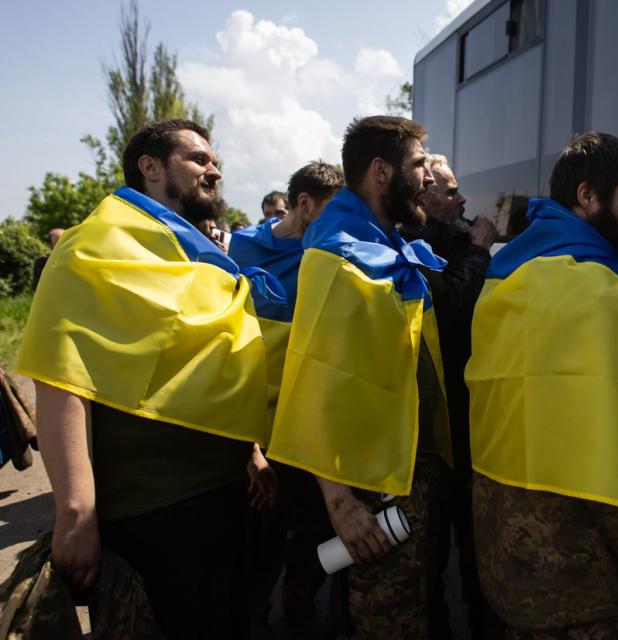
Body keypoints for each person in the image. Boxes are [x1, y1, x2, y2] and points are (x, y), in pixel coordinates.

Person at [16, 119, 283, 639]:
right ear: (151, 166)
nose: (215, 169)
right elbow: (62, 378)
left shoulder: (192, 252)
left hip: (224, 497)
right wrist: (76, 512)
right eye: (199, 159)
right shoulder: (92, 247)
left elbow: (209, 360)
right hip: (152, 512)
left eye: (214, 160)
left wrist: (248, 448)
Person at [466, 132, 618, 639]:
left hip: (509, 570)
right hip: (586, 589)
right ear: (587, 196)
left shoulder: (504, 277)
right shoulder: (604, 297)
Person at [266, 115, 450, 639]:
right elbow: (312, 382)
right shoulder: (337, 256)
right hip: (371, 490)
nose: (428, 178)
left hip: (405, 474)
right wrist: (339, 502)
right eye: (418, 165)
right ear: (381, 171)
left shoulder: (384, 246)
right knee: (383, 622)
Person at [229, 161, 344, 636]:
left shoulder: (331, 255)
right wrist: (245, 442)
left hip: (311, 427)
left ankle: (300, 610)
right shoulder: (240, 249)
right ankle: (250, 617)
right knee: (259, 540)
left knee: (316, 534)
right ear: (303, 204)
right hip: (258, 429)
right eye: (330, 213)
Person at [401, 153, 499, 639]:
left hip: (462, 420)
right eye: (451, 190)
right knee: (427, 550)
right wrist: (479, 250)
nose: (462, 200)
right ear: (424, 194)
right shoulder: (415, 245)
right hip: (435, 428)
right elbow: (453, 305)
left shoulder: (450, 240)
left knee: (467, 545)